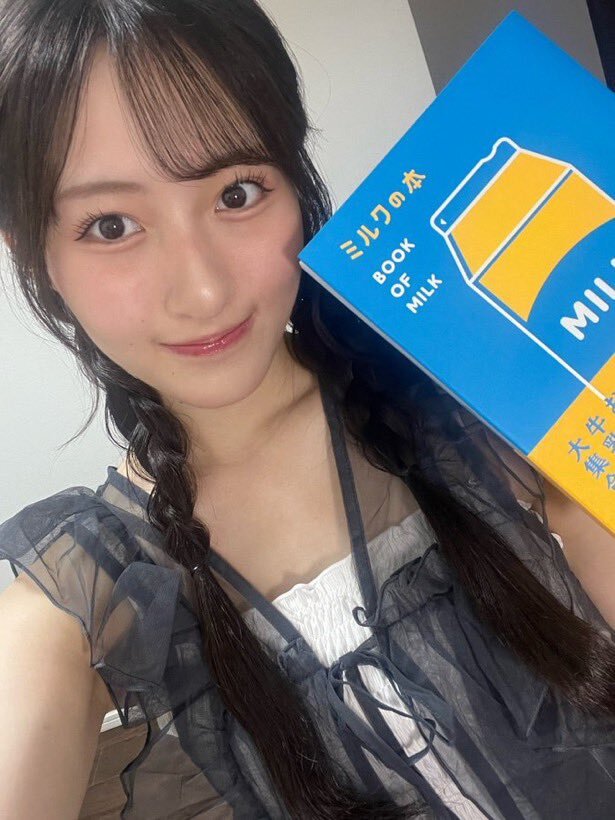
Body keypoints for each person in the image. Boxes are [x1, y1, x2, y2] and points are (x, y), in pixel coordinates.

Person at [0, 1, 614, 818]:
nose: (204, 290)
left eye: (237, 192)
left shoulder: (461, 392)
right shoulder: (87, 590)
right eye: (110, 225)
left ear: (295, 180)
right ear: (33, 253)